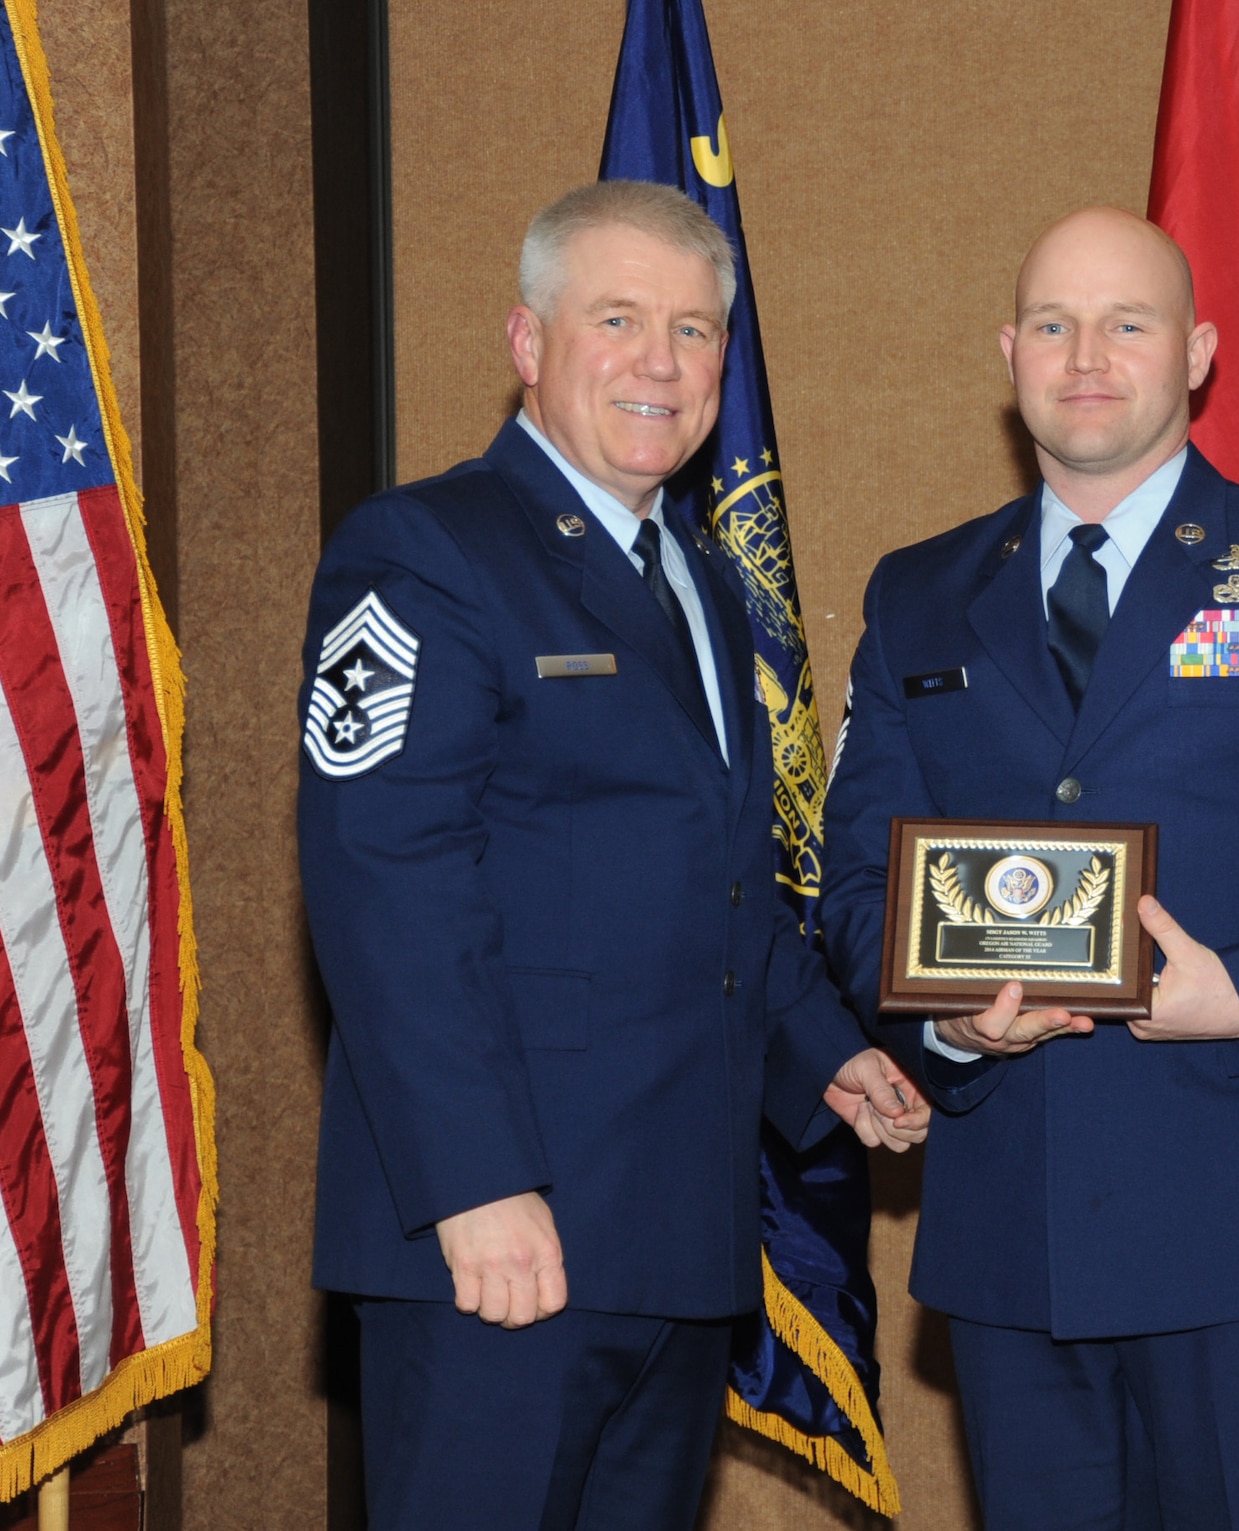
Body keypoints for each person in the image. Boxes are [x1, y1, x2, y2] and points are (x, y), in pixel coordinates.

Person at [818, 206, 1239, 1530]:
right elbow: (856, 887)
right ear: (1007, 351)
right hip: (1014, 1244)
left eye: (1127, 323)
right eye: (1055, 324)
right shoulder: (918, 592)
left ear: (1195, 352)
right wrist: (947, 1024)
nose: (1089, 354)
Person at [297, 180, 927, 1531]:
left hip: (673, 1238)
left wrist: (826, 1053)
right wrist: (475, 1185)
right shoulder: (426, 551)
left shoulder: (701, 579)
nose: (662, 362)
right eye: (621, 319)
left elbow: (721, 885)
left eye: (696, 332)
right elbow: (388, 887)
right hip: (498, 1242)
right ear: (529, 341)